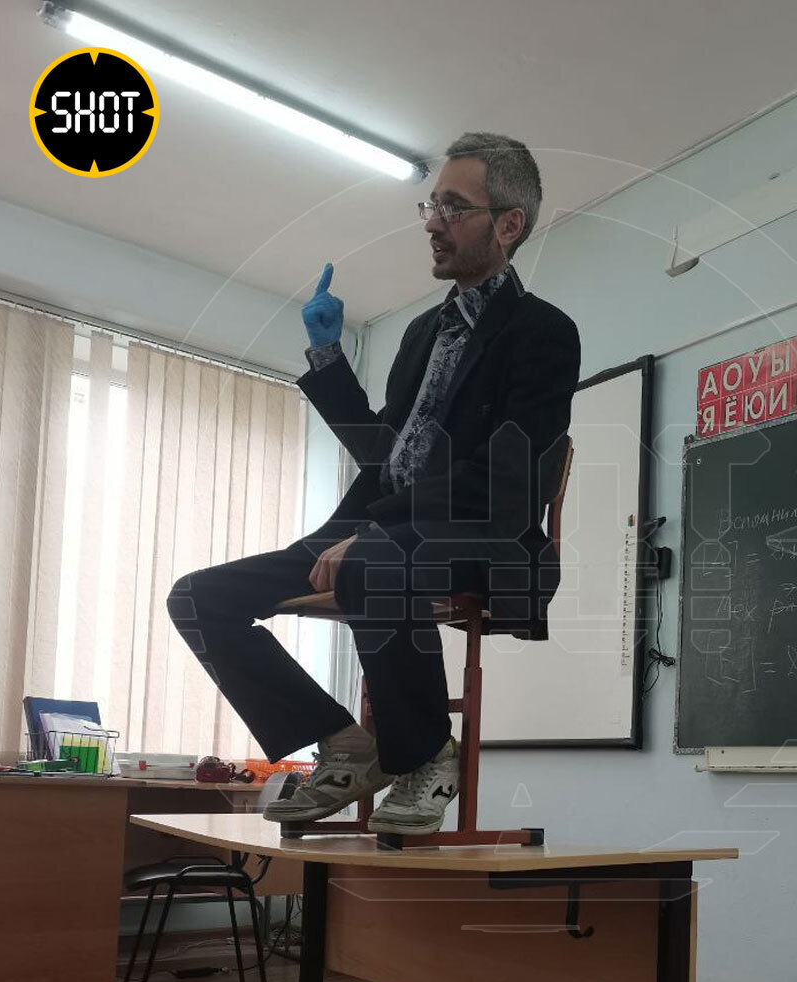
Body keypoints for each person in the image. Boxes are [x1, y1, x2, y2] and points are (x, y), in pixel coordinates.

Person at [167, 131, 581, 834]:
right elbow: (385, 455)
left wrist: (377, 534)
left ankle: (426, 758)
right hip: (381, 529)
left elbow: (508, 480)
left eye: (454, 207)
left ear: (509, 225)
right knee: (198, 598)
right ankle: (344, 742)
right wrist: (328, 356)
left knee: (374, 564)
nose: (432, 222)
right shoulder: (421, 333)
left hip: (484, 534)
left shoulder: (543, 332)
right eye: (432, 205)